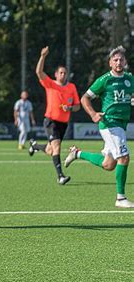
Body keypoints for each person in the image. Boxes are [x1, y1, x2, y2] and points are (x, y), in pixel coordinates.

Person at [64, 46, 134, 208]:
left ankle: (77, 153)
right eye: (115, 60)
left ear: (125, 62)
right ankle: (120, 198)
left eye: (121, 59)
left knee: (109, 164)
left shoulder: (130, 78)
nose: (118, 62)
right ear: (110, 63)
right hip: (110, 123)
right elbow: (84, 98)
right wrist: (93, 114)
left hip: (121, 125)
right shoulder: (104, 80)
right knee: (124, 157)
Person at [29, 46, 80, 185]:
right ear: (56, 74)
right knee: (56, 147)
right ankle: (60, 176)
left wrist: (69, 107)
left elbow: (77, 106)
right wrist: (43, 56)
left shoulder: (72, 87)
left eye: (65, 73)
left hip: (63, 123)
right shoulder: (50, 84)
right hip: (51, 121)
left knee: (51, 150)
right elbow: (39, 72)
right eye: (61, 73)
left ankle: (34, 146)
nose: (63, 75)